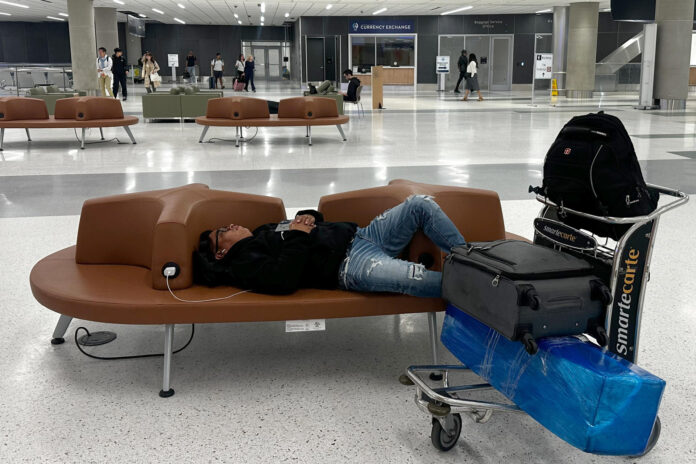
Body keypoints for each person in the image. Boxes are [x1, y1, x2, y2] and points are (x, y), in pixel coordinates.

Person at [193, 195, 466, 298]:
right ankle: (476, 285)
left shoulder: (262, 231)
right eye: (223, 231)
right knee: (416, 278)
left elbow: (304, 228)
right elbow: (282, 280)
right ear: (221, 252)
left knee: (419, 204)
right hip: (350, 265)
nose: (230, 225)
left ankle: (470, 260)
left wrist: (309, 216)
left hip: (364, 235)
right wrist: (299, 235)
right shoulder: (243, 263)